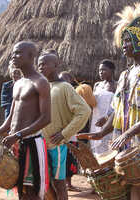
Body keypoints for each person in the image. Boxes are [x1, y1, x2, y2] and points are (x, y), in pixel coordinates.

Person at [79, 2, 140, 199]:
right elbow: (118, 111)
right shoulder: (126, 75)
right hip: (120, 144)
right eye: (124, 40)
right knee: (123, 192)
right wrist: (101, 132)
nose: (124, 45)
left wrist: (128, 133)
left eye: (128, 41)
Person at [0, 41, 51, 200]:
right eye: (13, 53)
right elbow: (11, 117)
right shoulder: (18, 84)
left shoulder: (41, 82)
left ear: (31, 56)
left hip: (32, 144)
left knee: (32, 191)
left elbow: (46, 118)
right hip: (15, 143)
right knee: (19, 188)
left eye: (18, 53)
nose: (13, 56)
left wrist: (18, 135)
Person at [38, 53, 91, 200]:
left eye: (44, 63)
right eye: (39, 64)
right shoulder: (43, 86)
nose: (40, 67)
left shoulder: (65, 87)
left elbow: (84, 111)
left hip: (57, 145)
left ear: (56, 65)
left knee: (59, 183)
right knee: (43, 183)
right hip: (40, 143)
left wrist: (64, 133)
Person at [59, 71, 96, 192]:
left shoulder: (75, 95)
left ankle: (68, 184)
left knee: (70, 158)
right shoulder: (55, 93)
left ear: (70, 81)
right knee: (59, 160)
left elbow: (83, 111)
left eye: (65, 80)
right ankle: (61, 184)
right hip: (57, 133)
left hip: (70, 132)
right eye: (61, 80)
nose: (62, 82)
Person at [89, 59, 116, 156]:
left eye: (104, 70)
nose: (101, 72)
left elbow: (117, 106)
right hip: (95, 119)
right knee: (95, 149)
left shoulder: (116, 85)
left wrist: (107, 118)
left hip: (108, 120)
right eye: (99, 70)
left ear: (112, 71)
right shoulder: (97, 85)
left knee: (107, 150)